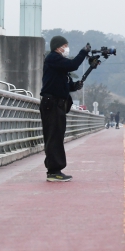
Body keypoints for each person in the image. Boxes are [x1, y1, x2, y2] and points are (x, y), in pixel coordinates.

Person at [40, 36, 90, 182]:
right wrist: (83, 52)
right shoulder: (53, 58)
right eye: (65, 45)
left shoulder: (57, 63)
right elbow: (73, 65)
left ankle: (55, 169)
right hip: (52, 104)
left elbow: (59, 85)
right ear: (58, 47)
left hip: (57, 103)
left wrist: (74, 86)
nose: (66, 48)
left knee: (57, 136)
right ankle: (54, 171)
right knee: (54, 137)